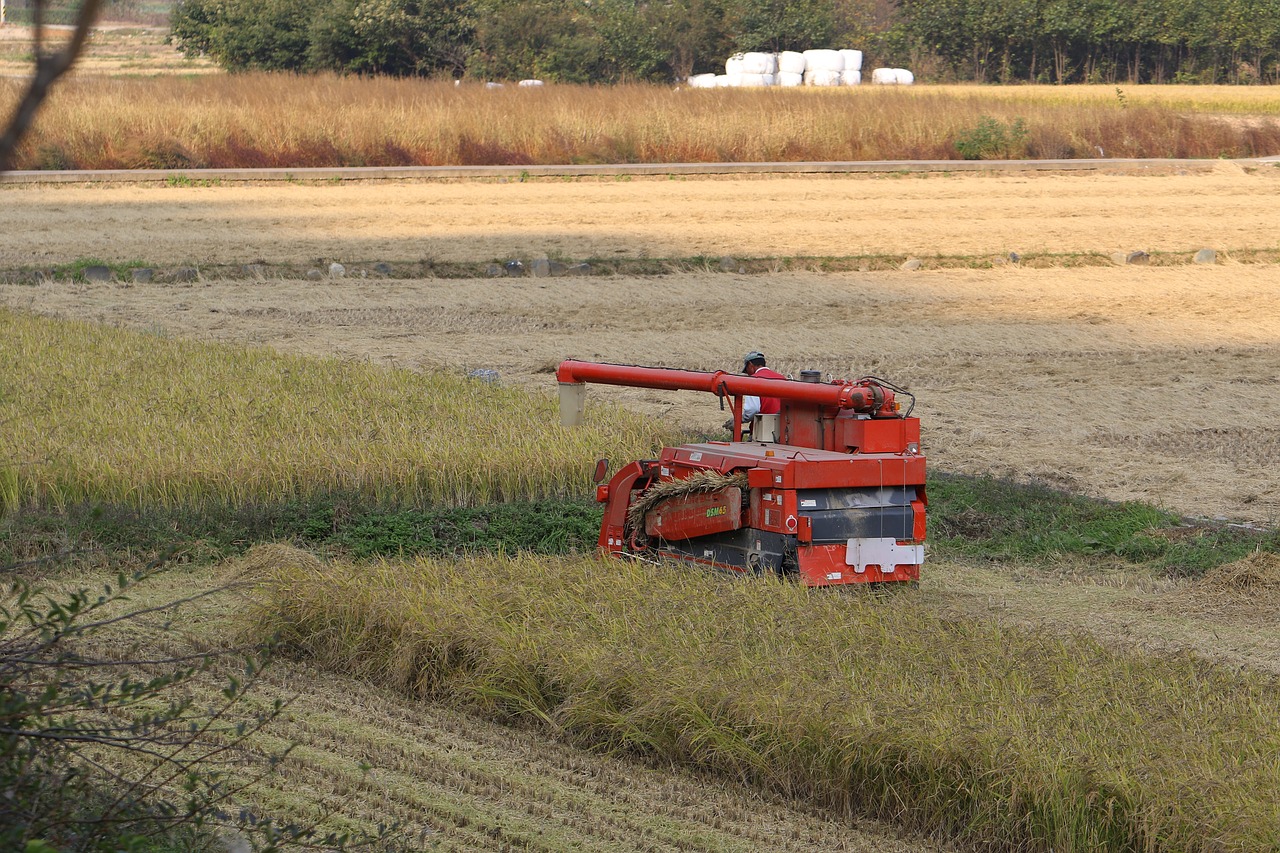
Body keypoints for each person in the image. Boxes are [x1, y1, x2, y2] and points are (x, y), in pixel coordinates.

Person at [725, 351, 785, 431]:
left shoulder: (753, 380)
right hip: (782, 431)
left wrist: (739, 419)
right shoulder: (782, 378)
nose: (748, 374)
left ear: (750, 365)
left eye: (746, 370)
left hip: (762, 433)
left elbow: (752, 409)